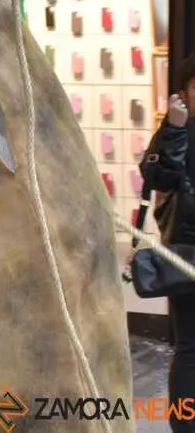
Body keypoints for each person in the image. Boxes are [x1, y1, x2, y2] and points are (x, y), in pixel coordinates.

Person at [140, 54, 195, 432]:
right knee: (191, 349)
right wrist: (175, 129)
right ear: (185, 93)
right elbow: (157, 177)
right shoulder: (177, 129)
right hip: (189, 257)